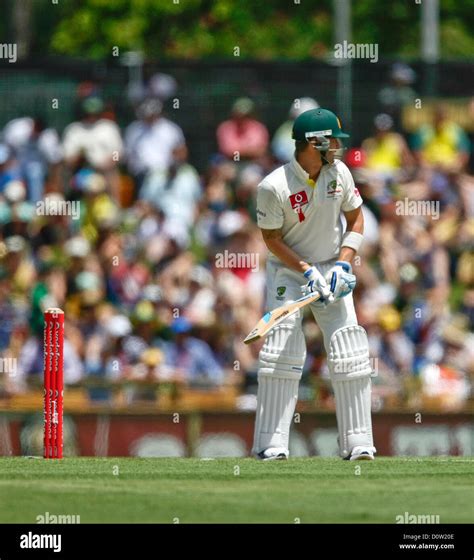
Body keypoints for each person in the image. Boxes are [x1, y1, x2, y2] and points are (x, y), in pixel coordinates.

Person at [253, 107, 376, 461]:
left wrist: (341, 265)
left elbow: (356, 220)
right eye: (333, 140)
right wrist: (307, 271)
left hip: (331, 269)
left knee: (350, 348)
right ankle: (271, 443)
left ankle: (357, 442)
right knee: (281, 346)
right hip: (290, 272)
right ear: (314, 143)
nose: (339, 146)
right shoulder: (273, 186)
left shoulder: (339, 172)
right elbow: (272, 238)